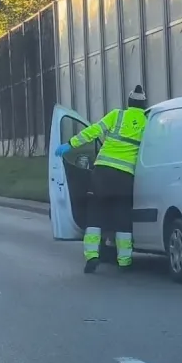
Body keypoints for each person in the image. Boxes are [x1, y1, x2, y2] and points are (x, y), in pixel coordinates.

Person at [54, 85, 147, 273]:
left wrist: (70, 144)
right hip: (125, 177)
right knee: (122, 217)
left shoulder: (117, 115)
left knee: (95, 214)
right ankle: (124, 260)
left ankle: (92, 256)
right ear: (144, 104)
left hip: (102, 174)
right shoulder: (147, 122)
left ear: (128, 103)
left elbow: (93, 131)